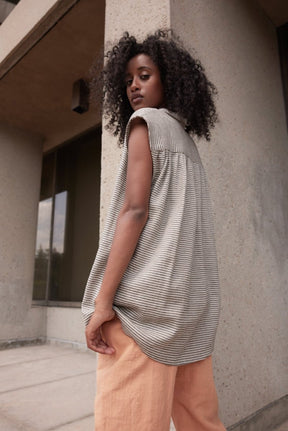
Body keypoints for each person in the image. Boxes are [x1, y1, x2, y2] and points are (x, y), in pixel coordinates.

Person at [82, 29, 226, 431]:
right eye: (128, 80)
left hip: (144, 312)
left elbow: (134, 211)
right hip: (190, 310)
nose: (133, 87)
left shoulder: (144, 124)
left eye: (144, 75)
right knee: (201, 422)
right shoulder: (187, 144)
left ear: (169, 80)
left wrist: (103, 303)